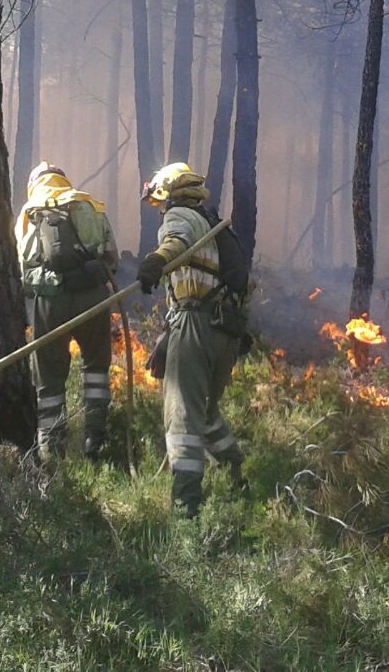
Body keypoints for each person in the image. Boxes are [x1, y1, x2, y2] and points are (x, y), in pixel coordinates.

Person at [135, 162, 249, 515]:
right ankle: (237, 475)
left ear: (168, 193)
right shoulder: (211, 223)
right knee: (206, 411)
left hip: (196, 323)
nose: (160, 210)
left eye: (159, 201)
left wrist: (156, 261)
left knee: (181, 417)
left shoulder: (181, 216)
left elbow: (176, 242)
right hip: (224, 330)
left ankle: (187, 507)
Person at [16, 161, 118, 461]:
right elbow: (111, 257)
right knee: (96, 369)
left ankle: (51, 449)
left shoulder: (29, 212)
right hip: (93, 298)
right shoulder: (89, 205)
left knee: (48, 379)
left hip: (50, 303)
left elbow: (22, 269)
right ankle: (94, 440)